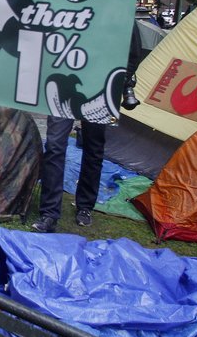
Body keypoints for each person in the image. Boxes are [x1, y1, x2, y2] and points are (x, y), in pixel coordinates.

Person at [33, 22, 143, 233]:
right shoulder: (70, 5)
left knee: (93, 147)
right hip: (63, 81)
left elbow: (133, 52)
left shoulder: (120, 9)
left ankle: (85, 206)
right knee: (55, 145)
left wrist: (116, 81)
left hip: (100, 86)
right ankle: (49, 213)